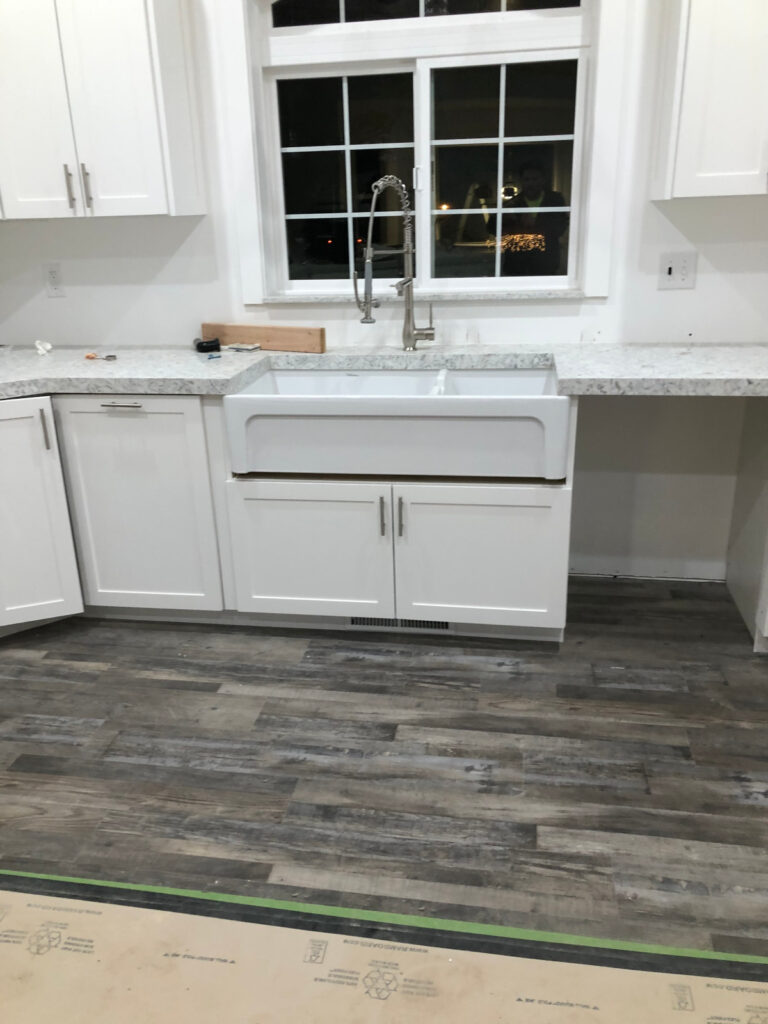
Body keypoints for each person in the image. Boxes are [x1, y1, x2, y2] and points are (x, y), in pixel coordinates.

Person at [501, 160, 568, 276]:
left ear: (543, 180)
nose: (531, 183)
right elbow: (493, 228)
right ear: (521, 181)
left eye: (535, 179)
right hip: (516, 265)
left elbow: (559, 228)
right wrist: (507, 218)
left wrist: (534, 226)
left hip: (546, 263)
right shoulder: (512, 203)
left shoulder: (555, 200)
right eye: (527, 180)